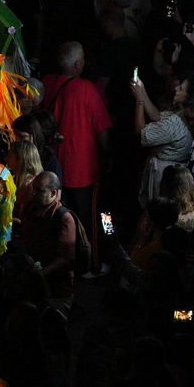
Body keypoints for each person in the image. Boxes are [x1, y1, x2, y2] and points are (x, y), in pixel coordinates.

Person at [41, 42, 111, 277]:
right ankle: (92, 265)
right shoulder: (87, 89)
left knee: (59, 220)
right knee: (91, 220)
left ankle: (61, 265)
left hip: (53, 169)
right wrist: (109, 155)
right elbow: (103, 133)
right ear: (78, 64)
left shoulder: (46, 84)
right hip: (83, 170)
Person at [129, 75, 193, 207]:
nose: (176, 88)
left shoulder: (176, 124)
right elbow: (157, 116)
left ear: (190, 97)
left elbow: (141, 133)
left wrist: (140, 100)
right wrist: (142, 91)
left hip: (164, 176)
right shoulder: (181, 113)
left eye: (181, 88)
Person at [17, 171, 79, 303]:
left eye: (39, 190)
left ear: (53, 193)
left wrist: (40, 274)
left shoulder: (64, 218)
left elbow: (65, 258)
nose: (34, 193)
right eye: (33, 188)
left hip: (55, 286)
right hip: (30, 277)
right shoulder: (32, 208)